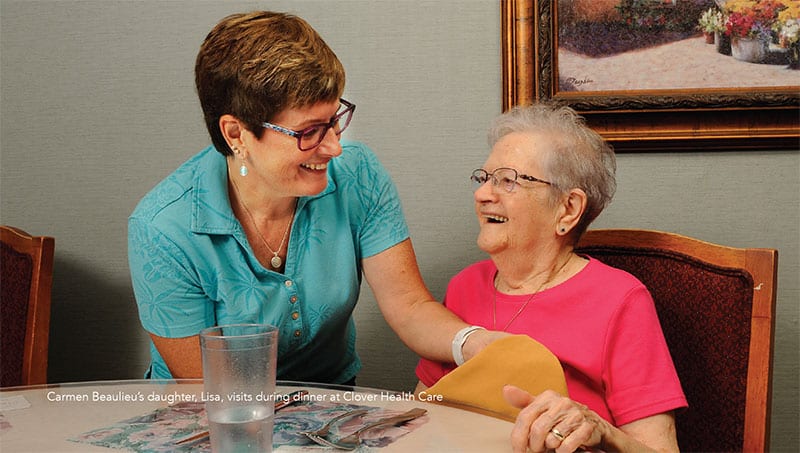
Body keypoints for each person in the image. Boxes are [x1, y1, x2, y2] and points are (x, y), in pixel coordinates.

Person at [128, 11, 500, 384]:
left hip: (330, 406)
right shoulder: (163, 228)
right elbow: (211, 390)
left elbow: (410, 307)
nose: (335, 147)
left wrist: (472, 343)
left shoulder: (360, 176)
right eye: (310, 132)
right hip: (216, 418)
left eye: (335, 120)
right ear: (236, 135)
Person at [415, 103, 687, 452]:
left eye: (508, 180)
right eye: (484, 178)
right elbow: (420, 416)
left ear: (568, 208)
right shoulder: (464, 286)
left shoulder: (621, 300)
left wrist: (602, 431)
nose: (482, 194)